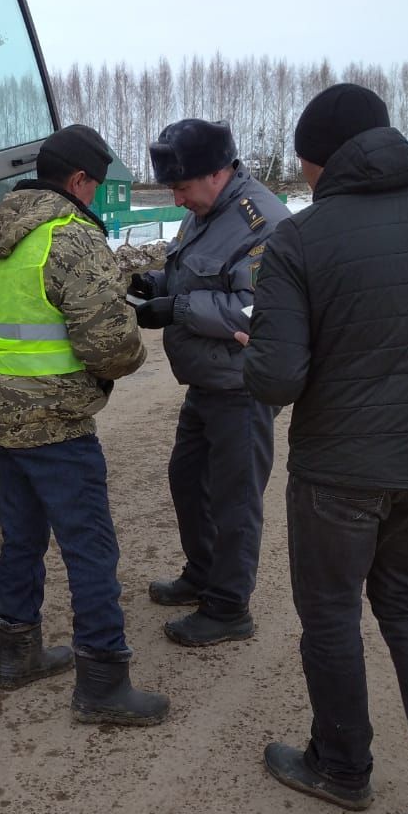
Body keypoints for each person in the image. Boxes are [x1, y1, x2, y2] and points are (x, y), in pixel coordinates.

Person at [243, 82, 408, 814]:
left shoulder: (299, 239)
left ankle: (341, 767)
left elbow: (277, 379)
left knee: (329, 616)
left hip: (338, 472)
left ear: (320, 161)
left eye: (304, 166)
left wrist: (258, 350)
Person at [0, 125, 169, 726]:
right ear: (78, 181)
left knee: (21, 539)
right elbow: (113, 348)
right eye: (96, 187)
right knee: (89, 551)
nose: (98, 198)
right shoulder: (68, 241)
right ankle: (103, 681)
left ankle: (17, 653)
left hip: (2, 421)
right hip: (58, 424)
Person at [131, 120, 289, 647]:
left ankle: (229, 606)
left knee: (235, 497)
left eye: (181, 188)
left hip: (240, 389)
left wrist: (177, 308)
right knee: (187, 479)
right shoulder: (205, 211)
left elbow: (257, 309)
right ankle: (203, 574)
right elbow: (197, 275)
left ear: (218, 173)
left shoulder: (260, 221)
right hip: (206, 382)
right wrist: (153, 285)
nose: (176, 200)